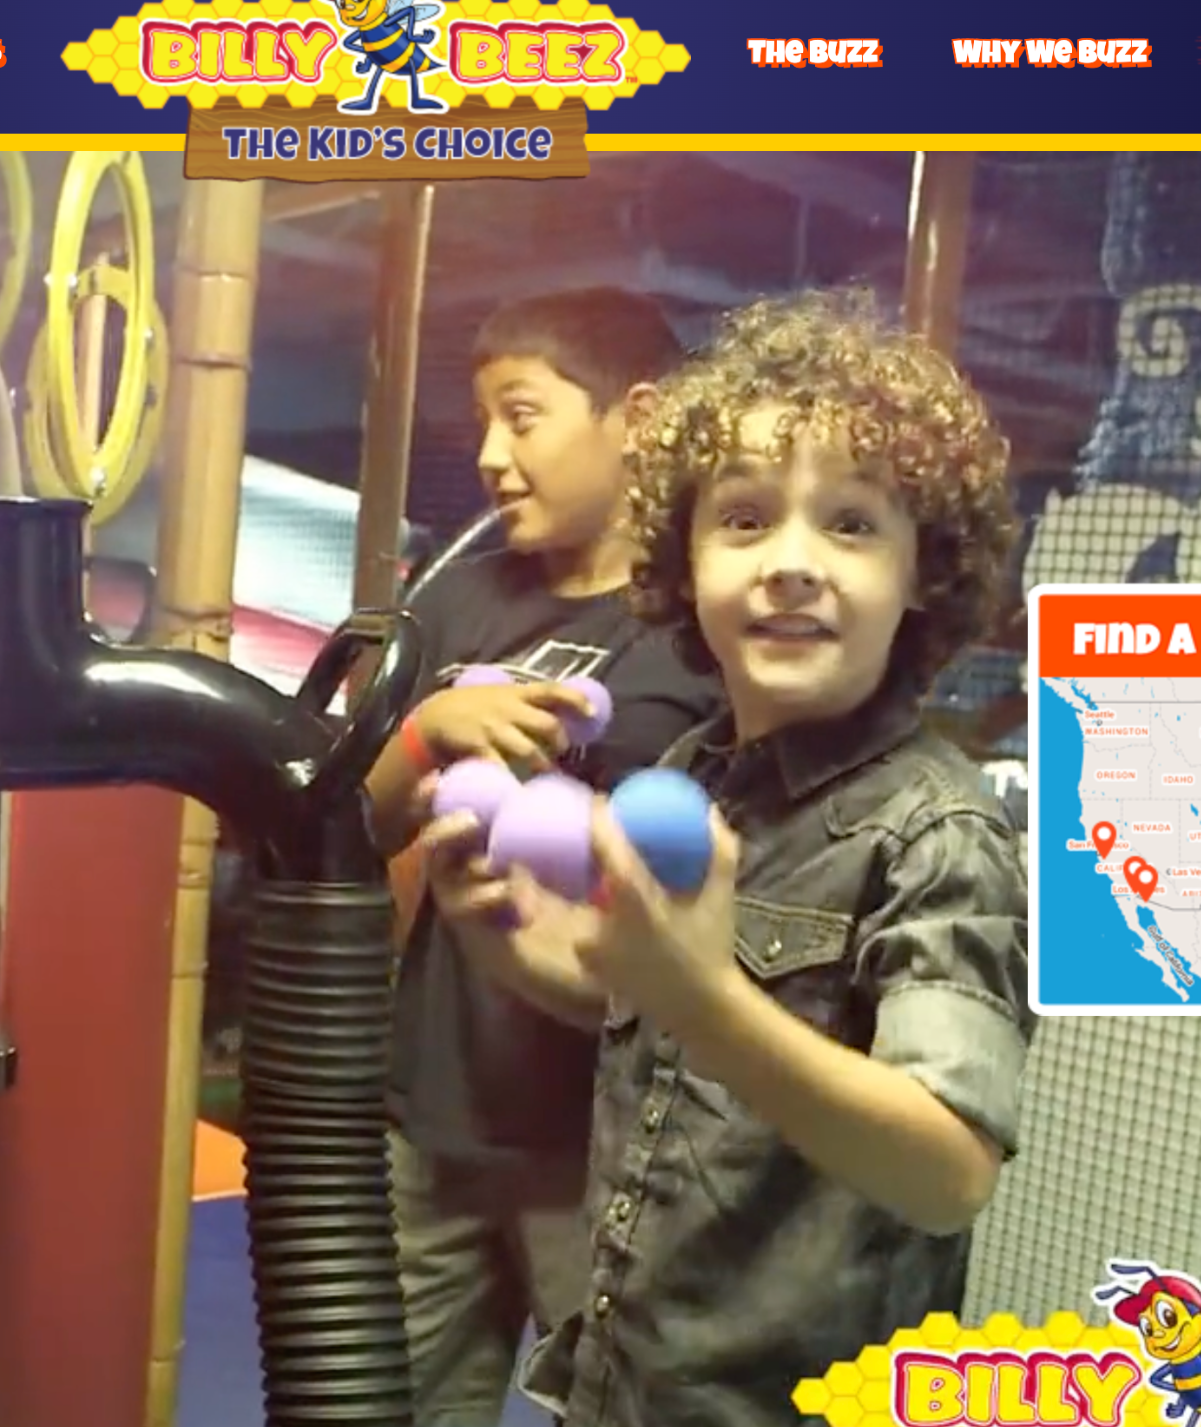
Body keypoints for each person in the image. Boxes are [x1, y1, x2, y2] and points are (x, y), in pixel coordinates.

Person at [416, 289, 1034, 1427]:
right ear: (681, 560)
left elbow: (947, 1170)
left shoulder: (937, 833)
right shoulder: (697, 773)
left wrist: (704, 1001)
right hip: (621, 1381)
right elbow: (633, 1007)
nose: (791, 563)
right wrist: (499, 934)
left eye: (851, 524)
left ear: (921, 574)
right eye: (743, 520)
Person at [364, 287, 724, 1426]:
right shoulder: (460, 600)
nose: (489, 456)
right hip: (437, 1117)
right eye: (484, 422)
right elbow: (348, 820)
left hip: (608, 1147)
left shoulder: (702, 628)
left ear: (638, 417)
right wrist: (427, 735)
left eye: (522, 417)